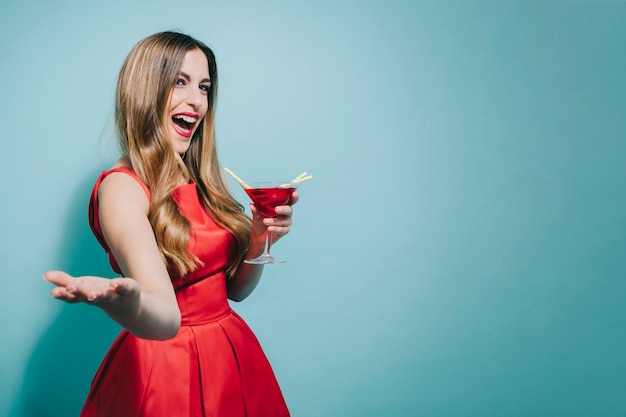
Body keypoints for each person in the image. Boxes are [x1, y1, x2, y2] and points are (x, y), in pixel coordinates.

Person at [43, 31, 295, 417]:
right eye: (180, 82)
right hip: (167, 368)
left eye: (205, 87)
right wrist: (126, 305)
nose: (196, 100)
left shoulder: (198, 178)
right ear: (146, 89)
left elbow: (235, 292)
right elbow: (165, 319)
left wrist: (261, 240)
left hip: (232, 355)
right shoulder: (122, 189)